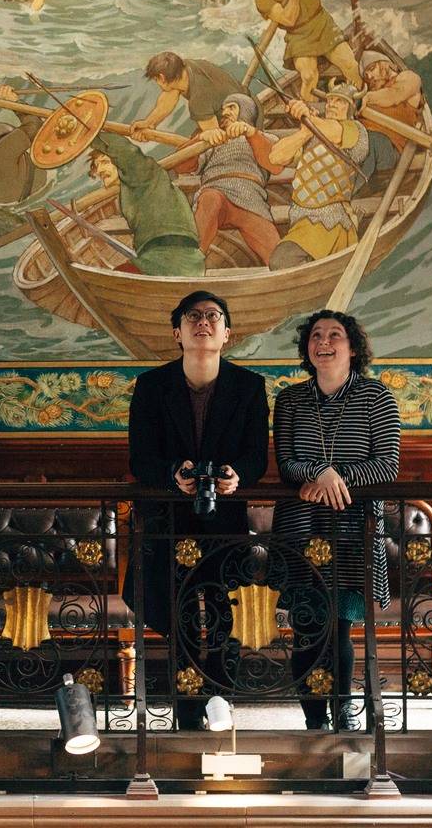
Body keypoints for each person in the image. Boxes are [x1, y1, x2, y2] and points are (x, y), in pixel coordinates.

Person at [125, 291, 269, 730]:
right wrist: (175, 475)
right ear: (177, 333)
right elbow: (139, 459)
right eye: (193, 317)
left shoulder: (249, 386)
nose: (202, 323)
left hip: (223, 519)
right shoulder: (152, 386)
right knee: (176, 612)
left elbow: (256, 458)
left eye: (212, 317)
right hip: (167, 521)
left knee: (224, 611)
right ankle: (186, 710)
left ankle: (221, 699)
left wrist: (233, 476)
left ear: (227, 334)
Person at [272, 310, 400, 731]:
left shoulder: (377, 397)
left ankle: (342, 713)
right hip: (301, 526)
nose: (323, 342)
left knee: (341, 627)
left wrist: (334, 477)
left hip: (352, 529)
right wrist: (316, 474)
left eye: (335, 335)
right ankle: (313, 720)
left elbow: (387, 465)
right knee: (308, 626)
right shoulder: (289, 399)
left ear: (353, 347)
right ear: (307, 348)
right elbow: (287, 464)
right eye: (316, 336)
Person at [266, 84, 370, 268]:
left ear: (352, 107)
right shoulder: (314, 131)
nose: (331, 104)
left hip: (331, 222)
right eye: (329, 100)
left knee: (281, 261)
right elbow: (276, 157)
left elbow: (334, 132)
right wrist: (304, 132)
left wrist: (308, 117)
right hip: (303, 222)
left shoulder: (356, 130)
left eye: (339, 101)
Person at [249, 0, 362, 104]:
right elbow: (289, 20)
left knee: (351, 65)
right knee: (309, 77)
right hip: (299, 36)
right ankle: (310, 114)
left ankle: (359, 104)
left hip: (322, 24)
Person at [174, 93, 282, 264]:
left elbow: (275, 165)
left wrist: (251, 133)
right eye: (223, 109)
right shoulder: (212, 141)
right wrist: (199, 139)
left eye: (231, 107)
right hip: (216, 193)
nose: (224, 112)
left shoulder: (266, 138)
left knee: (276, 255)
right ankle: (188, 264)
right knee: (209, 199)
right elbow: (182, 167)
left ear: (246, 111)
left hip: (250, 197)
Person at [86, 133, 205, 277]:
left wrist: (88, 135)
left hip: (174, 258)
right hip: (159, 256)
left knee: (118, 277)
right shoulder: (130, 188)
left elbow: (125, 151)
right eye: (96, 166)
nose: (99, 170)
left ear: (120, 162)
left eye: (105, 162)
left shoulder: (143, 174)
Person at [131, 51, 244, 143]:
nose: (157, 84)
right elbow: (170, 94)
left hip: (243, 121)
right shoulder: (185, 68)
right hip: (242, 101)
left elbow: (216, 138)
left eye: (156, 80)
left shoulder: (198, 99)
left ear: (161, 78)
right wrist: (149, 123)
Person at [357, 49, 424, 175]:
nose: (370, 77)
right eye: (366, 75)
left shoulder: (409, 78)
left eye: (371, 69)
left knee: (373, 141)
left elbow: (394, 95)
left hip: (388, 150)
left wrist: (368, 97)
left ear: (384, 63)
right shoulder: (373, 92)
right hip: (362, 142)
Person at [0, 85, 45, 204]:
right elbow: (34, 126)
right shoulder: (4, 150)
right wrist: (14, 102)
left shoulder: (2, 161)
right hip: (19, 205)